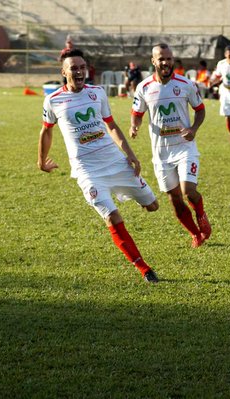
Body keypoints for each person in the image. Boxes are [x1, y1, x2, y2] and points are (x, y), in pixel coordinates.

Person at [37, 49, 160, 283]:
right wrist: (41, 161)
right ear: (64, 72)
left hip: (115, 161)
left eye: (82, 66)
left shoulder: (97, 93)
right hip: (87, 170)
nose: (79, 71)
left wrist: (131, 155)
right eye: (74, 67)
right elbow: (46, 131)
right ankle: (144, 268)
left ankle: (130, 193)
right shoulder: (53, 100)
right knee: (112, 217)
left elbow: (111, 125)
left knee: (153, 205)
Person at [130, 43, 211, 248]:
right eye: (161, 59)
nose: (165, 62)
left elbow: (200, 110)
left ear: (172, 60)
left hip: (185, 146)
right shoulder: (144, 87)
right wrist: (134, 126)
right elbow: (137, 114)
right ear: (153, 61)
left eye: (168, 58)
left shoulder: (186, 84)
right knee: (174, 198)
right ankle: (195, 233)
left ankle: (201, 215)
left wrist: (193, 128)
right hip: (161, 152)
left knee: (188, 190)